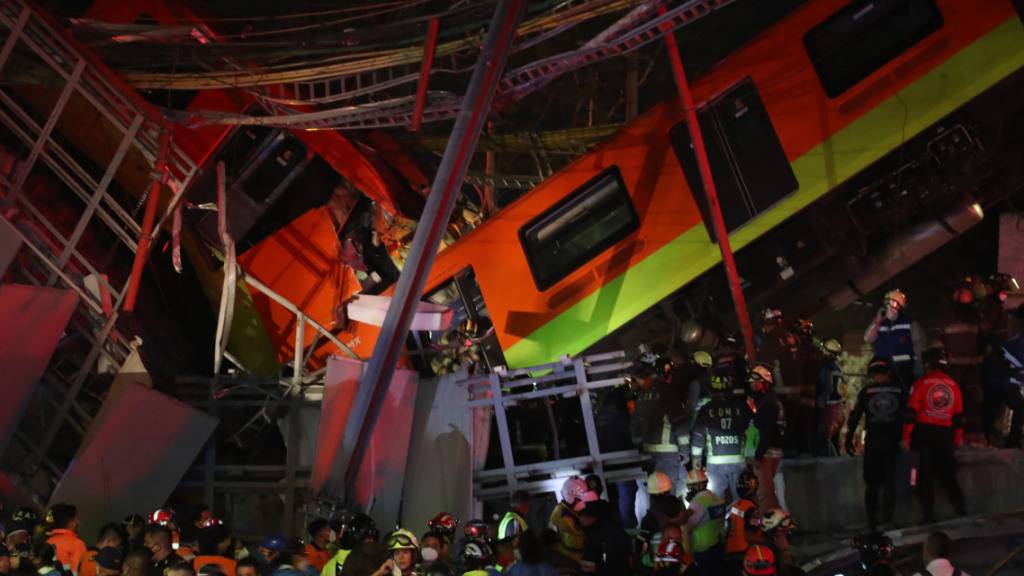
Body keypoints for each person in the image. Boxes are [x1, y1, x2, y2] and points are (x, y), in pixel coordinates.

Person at [903, 348, 967, 524]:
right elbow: (959, 418)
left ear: (927, 364)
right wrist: (957, 438)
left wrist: (906, 438)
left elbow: (910, 415)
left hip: (923, 435)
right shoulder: (954, 385)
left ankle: (928, 515)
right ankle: (960, 509)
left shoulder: (920, 383)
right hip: (945, 436)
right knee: (948, 474)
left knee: (922, 475)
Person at [846, 357, 906, 529]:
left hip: (873, 443)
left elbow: (855, 417)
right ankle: (887, 519)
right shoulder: (899, 391)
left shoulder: (866, 392)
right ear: (888, 372)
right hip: (892, 444)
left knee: (872, 484)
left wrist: (849, 438)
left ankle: (871, 520)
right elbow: (908, 416)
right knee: (889, 482)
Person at [931, 279, 986, 438]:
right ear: (956, 294)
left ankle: (972, 435)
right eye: (965, 293)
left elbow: (983, 339)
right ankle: (949, 435)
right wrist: (941, 363)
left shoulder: (975, 316)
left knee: (973, 403)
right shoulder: (945, 315)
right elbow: (936, 340)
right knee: (950, 402)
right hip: (952, 370)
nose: (969, 297)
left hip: (972, 369)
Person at [690, 369, 755, 501]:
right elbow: (753, 430)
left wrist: (696, 459)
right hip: (739, 462)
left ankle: (719, 521)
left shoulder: (706, 409)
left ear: (711, 389)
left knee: (714, 500)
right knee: (741, 500)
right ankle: (739, 520)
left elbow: (698, 436)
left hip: (715, 464)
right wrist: (751, 454)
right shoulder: (742, 406)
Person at [631, 351, 686, 496]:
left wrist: (640, 449)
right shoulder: (667, 391)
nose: (638, 383)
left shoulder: (642, 396)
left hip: (649, 455)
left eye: (637, 379)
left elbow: (635, 426)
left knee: (655, 494)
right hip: (667, 455)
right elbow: (680, 422)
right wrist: (685, 450)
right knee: (668, 493)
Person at [757, 308, 806, 454]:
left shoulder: (770, 340)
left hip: (780, 391)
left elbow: (763, 366)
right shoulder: (791, 337)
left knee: (778, 432)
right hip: (797, 390)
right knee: (794, 429)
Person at [594, 379, 638, 528]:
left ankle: (618, 526)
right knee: (627, 495)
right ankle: (628, 529)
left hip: (606, 462)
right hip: (622, 461)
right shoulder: (618, 413)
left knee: (614, 498)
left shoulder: (600, 414)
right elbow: (627, 436)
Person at [748, 363, 786, 511]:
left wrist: (757, 456)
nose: (752, 385)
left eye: (756, 382)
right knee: (772, 491)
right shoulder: (769, 400)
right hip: (772, 452)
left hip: (767, 455)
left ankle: (768, 526)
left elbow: (767, 432)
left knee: (765, 493)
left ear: (765, 383)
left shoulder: (768, 404)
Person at [864, 289, 917, 388]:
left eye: (892, 303)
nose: (888, 307)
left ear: (899, 306)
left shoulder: (909, 323)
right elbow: (868, 338)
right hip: (883, 371)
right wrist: (877, 321)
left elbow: (918, 346)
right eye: (886, 303)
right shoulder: (879, 322)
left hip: (904, 370)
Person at [682, 469, 726, 575]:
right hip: (719, 544)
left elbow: (687, 527)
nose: (689, 489)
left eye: (692, 486)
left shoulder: (697, 503)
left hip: (702, 549)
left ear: (701, 485)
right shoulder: (718, 498)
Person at [983, 333, 1024, 447]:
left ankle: (1012, 441)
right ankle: (987, 437)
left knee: (1018, 405)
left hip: (1006, 369)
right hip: (999, 367)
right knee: (993, 403)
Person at [577, 500, 630, 575]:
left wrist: (597, 567)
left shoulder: (612, 535)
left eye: (585, 515)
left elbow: (621, 564)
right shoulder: (591, 531)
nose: (581, 518)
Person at [725, 467, 761, 575]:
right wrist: (763, 523)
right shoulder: (750, 508)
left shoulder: (736, 506)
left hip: (730, 551)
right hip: (743, 553)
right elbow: (749, 534)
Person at [547, 477, 590, 562]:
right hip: (572, 559)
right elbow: (573, 541)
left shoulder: (562, 509)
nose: (584, 501)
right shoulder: (565, 517)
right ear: (571, 496)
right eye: (580, 498)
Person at [815, 339, 846, 457]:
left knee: (825, 438)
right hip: (837, 407)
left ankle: (832, 462)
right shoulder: (837, 367)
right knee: (833, 439)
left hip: (829, 407)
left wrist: (819, 404)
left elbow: (827, 388)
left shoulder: (828, 368)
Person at [46, 503, 88, 576]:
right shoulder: (77, 544)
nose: (79, 522)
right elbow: (79, 572)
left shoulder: (47, 542)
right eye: (77, 519)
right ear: (72, 524)